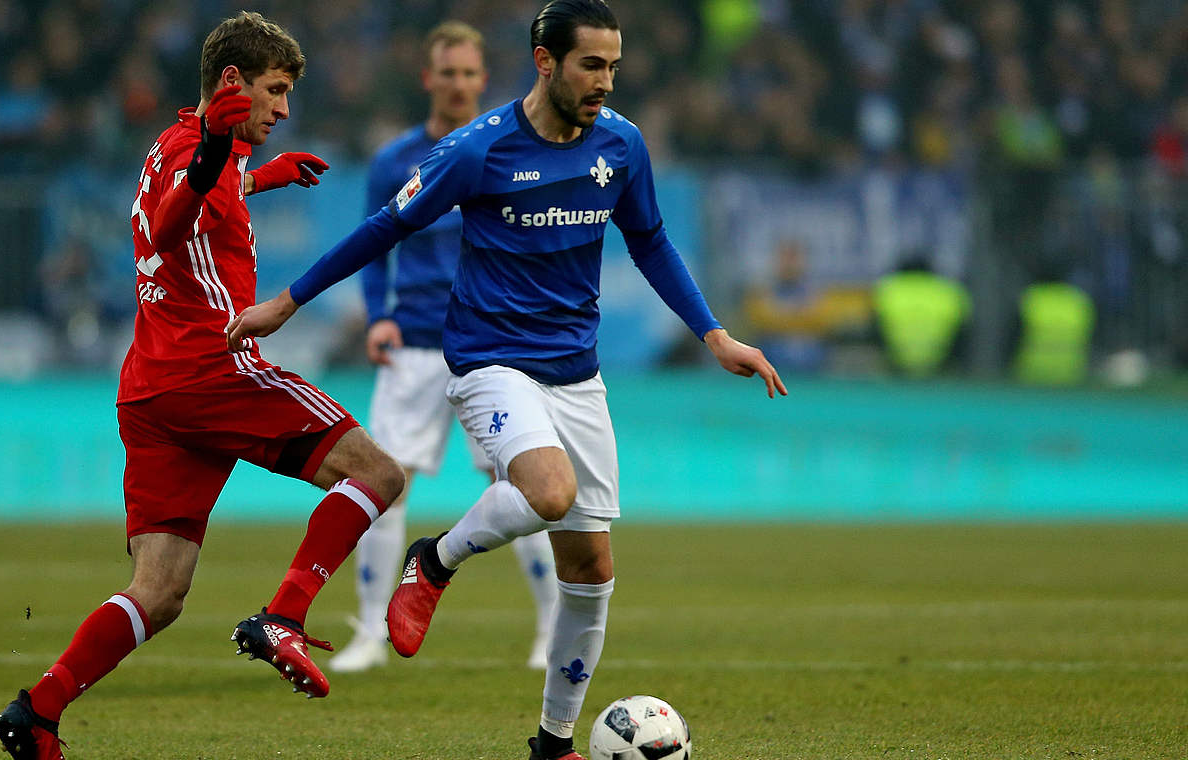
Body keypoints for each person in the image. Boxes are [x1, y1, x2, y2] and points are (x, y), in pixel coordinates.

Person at [225, 2, 787, 758]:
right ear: (544, 61)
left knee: (590, 571)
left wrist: (715, 335)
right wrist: (288, 303)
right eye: (591, 65)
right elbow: (384, 227)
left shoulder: (621, 146)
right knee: (547, 491)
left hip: (575, 374)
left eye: (613, 67)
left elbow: (650, 241)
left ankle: (554, 742)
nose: (604, 82)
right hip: (489, 360)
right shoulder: (478, 151)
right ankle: (434, 560)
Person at [0, 12, 406, 760]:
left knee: (159, 592)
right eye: (274, 91)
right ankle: (283, 614)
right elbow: (176, 216)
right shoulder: (199, 152)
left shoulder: (172, 147)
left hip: (152, 390)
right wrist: (224, 152)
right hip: (212, 368)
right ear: (230, 84)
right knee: (378, 474)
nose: (283, 109)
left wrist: (257, 175)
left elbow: (188, 198)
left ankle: (38, 711)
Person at [330, 20, 559, 675]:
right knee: (384, 485)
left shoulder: (507, 153)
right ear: (428, 79)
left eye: (469, 73)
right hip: (416, 345)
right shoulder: (394, 162)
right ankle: (371, 634)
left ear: (483, 80)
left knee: (519, 484)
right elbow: (375, 248)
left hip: (491, 345)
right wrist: (377, 316)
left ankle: (549, 628)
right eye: (447, 73)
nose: (458, 84)